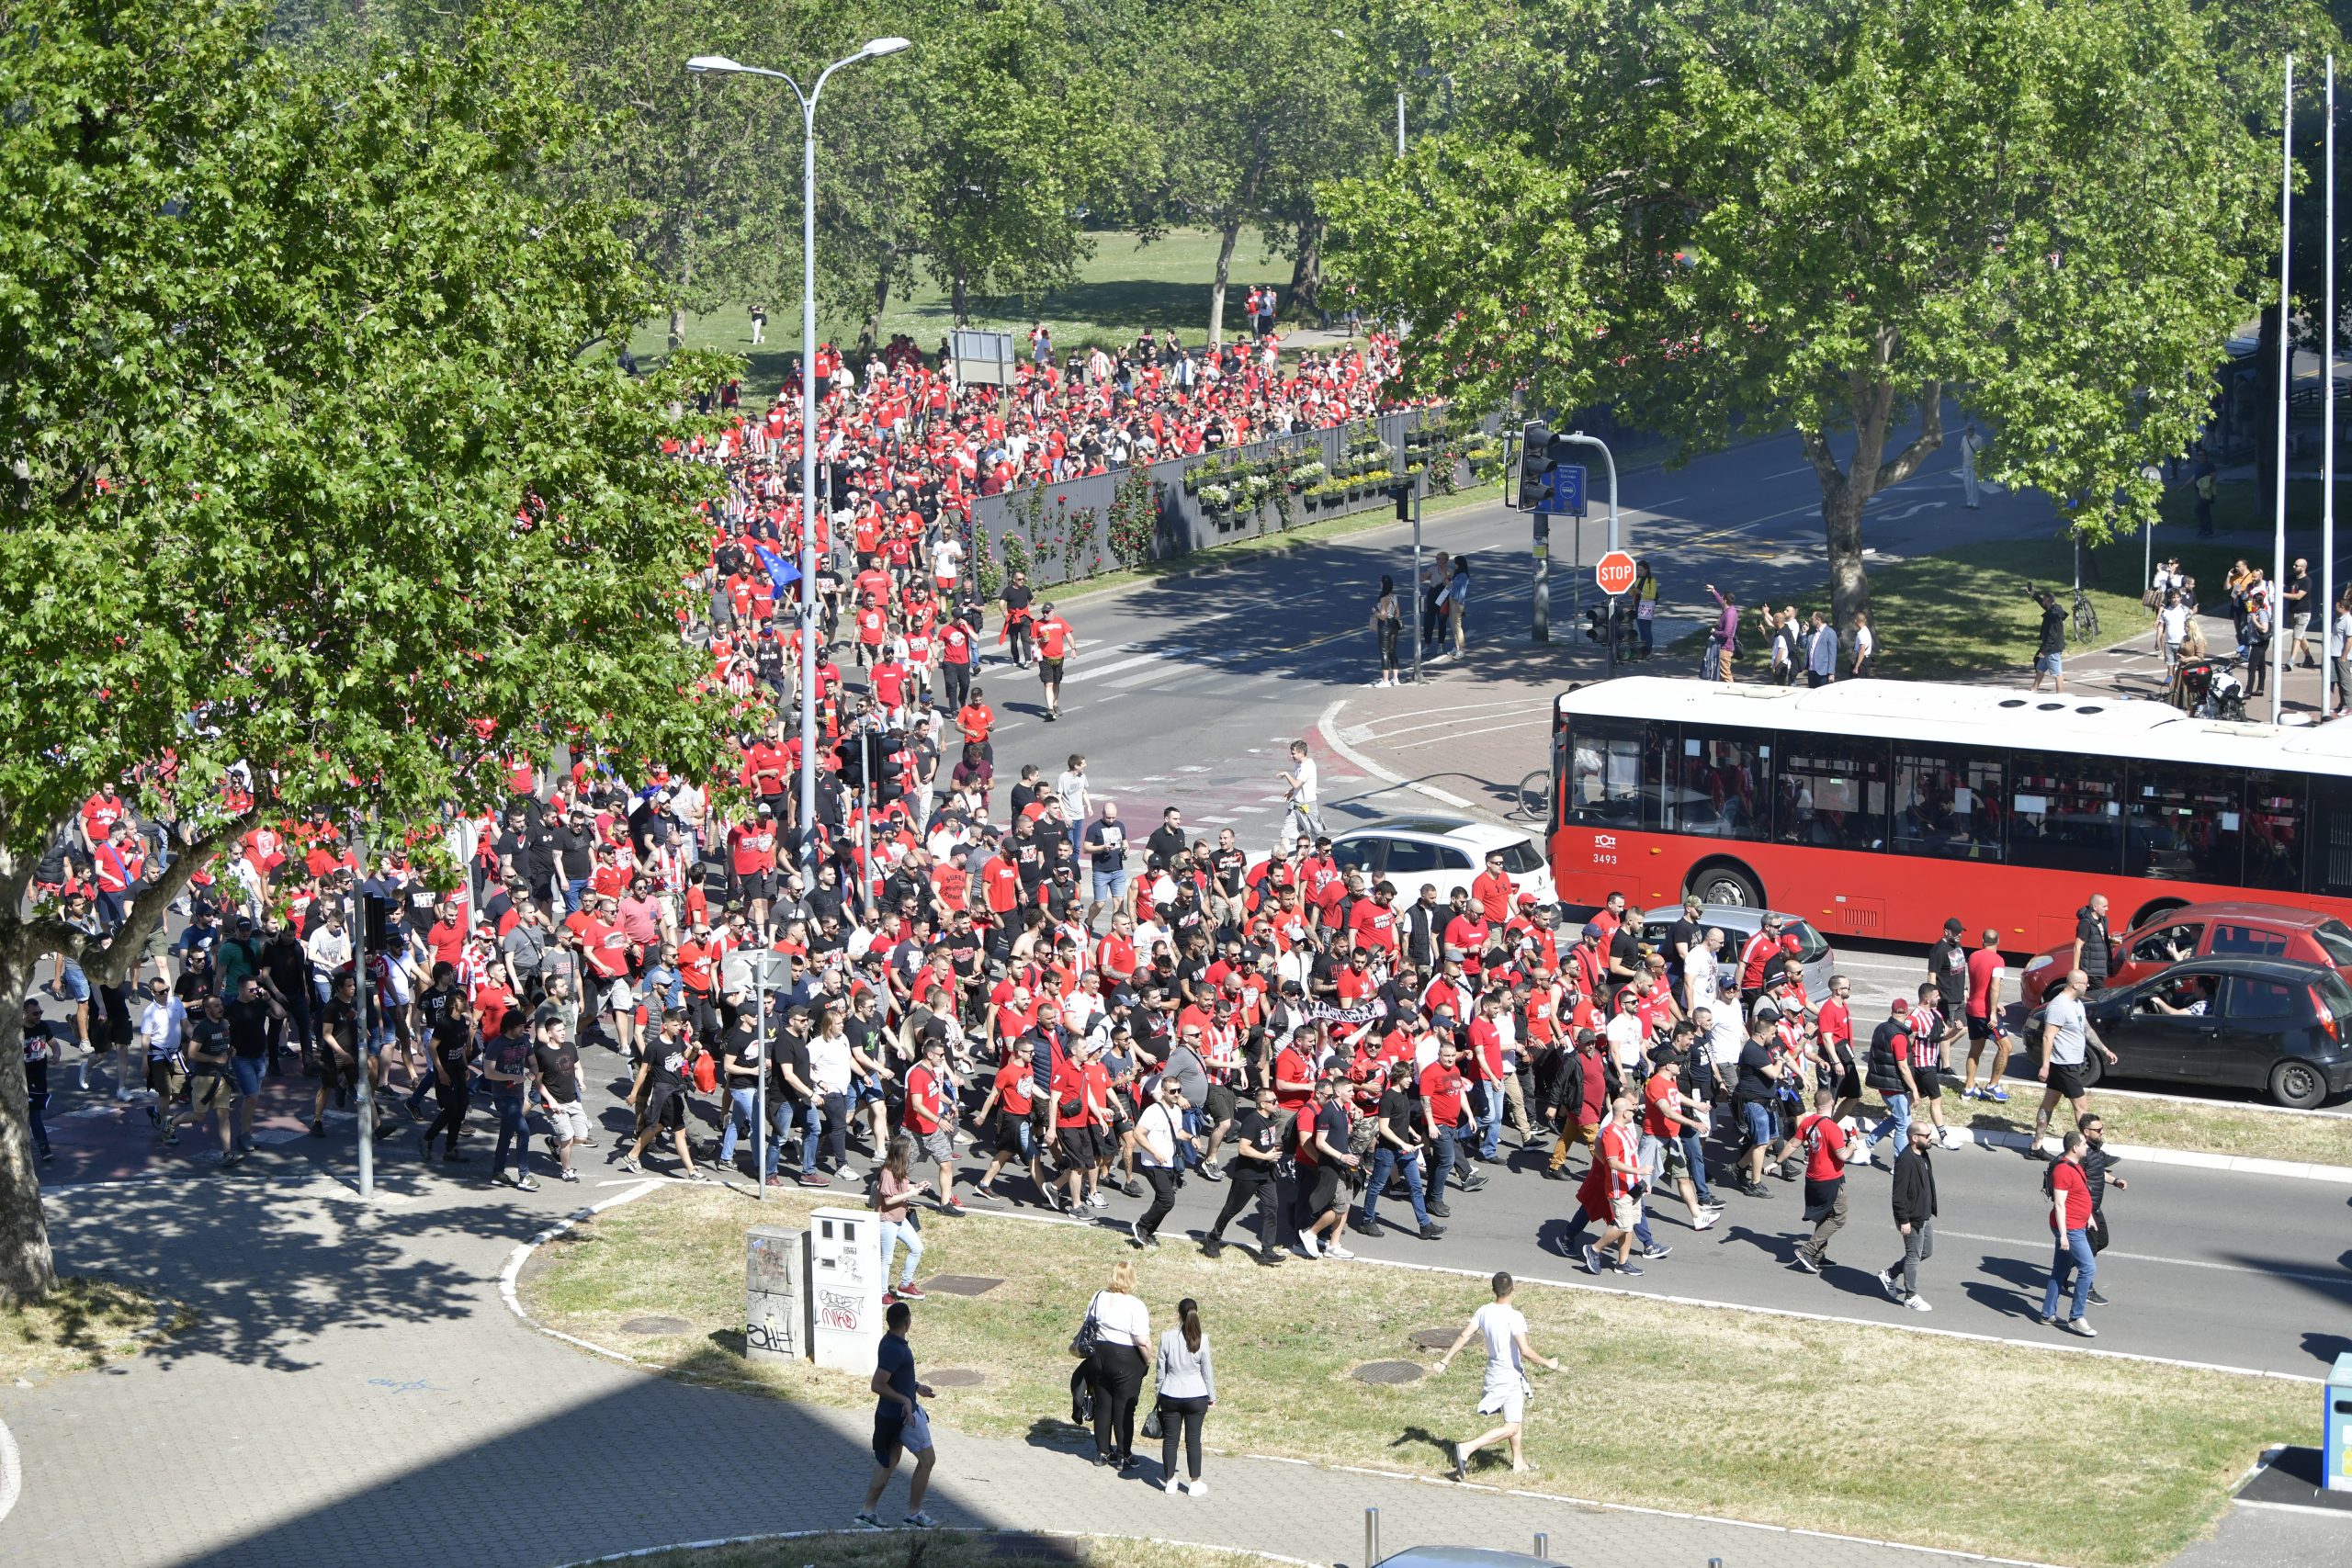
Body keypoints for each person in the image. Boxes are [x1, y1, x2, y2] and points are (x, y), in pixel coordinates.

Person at [1433, 1271, 1559, 1480]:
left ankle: (1519, 1463)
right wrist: (1548, 1363)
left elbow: (1464, 1335)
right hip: (1509, 1374)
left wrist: (1445, 1360)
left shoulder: (1484, 1311)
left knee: (1514, 1417)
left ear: (1493, 1290)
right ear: (1513, 1289)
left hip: (1494, 1371)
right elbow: (1525, 1351)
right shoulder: (1515, 1317)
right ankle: (1467, 1448)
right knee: (1512, 1427)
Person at [854, 1299, 939, 1531]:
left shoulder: (889, 1341)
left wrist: (916, 1387)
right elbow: (877, 1384)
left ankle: (867, 1513)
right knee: (927, 1460)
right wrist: (905, 1400)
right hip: (904, 1417)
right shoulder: (896, 1349)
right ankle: (914, 1514)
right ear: (907, 1322)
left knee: (888, 1463)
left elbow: (895, 1378)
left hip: (890, 1415)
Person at [2031, 968, 2116, 1157]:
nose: (2088, 985)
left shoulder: (2076, 1004)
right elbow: (2048, 1036)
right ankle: (2093, 1153)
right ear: (2075, 985)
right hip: (2064, 1064)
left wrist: (2105, 1050)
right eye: (2085, 983)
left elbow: (2087, 1030)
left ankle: (2036, 1147)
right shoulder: (2059, 1006)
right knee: (2082, 1108)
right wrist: (2045, 1065)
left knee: (2049, 1103)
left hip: (2072, 1063)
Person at [1200, 1083, 1285, 1263]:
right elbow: (1243, 1149)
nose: (1276, 1103)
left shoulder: (1270, 1119)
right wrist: (1266, 1156)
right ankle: (1213, 1237)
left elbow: (1264, 1143)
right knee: (1233, 1208)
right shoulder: (1252, 1121)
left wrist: (1272, 1154)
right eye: (1273, 1101)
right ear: (1262, 1104)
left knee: (1271, 1208)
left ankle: (1267, 1250)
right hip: (1248, 1174)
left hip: (1266, 1173)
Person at [1081, 1258, 1153, 1471]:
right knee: (1124, 1408)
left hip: (1099, 1355)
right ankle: (1124, 1454)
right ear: (1132, 1280)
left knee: (1103, 1404)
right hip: (1126, 1358)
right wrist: (1148, 1359)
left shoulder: (1098, 1297)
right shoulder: (1136, 1305)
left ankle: (1102, 1452)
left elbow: (1088, 1321)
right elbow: (1141, 1340)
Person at [1154, 1297, 1216, 1495]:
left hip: (1170, 1393)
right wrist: (1211, 1395)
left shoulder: (1166, 1337)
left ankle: (1170, 1481)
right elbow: (1207, 1371)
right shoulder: (1202, 1339)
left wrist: (1158, 1393)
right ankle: (1194, 1483)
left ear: (1178, 1315)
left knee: (1170, 1440)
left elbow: (1160, 1371)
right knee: (1193, 1440)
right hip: (1196, 1395)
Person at [2040, 1130, 2098, 1336]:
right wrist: (2064, 1235)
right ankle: (2076, 1317)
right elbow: (2059, 1204)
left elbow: (2079, 1195)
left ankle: (2047, 1314)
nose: (2087, 1147)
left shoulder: (2076, 1166)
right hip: (2070, 1228)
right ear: (2075, 1147)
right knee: (2088, 1268)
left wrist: (2088, 1216)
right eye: (2084, 1144)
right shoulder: (2063, 1170)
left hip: (2077, 1224)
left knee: (2060, 1270)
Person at [1790, 1087, 1855, 1274]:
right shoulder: (1832, 1127)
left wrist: (1777, 1162)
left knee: (1825, 1214)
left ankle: (1818, 1255)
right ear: (1833, 1103)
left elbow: (1793, 1143)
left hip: (1813, 1177)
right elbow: (1843, 1155)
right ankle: (1808, 1250)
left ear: (1814, 1104)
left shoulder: (1808, 1121)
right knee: (1838, 1217)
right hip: (1830, 1178)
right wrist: (1852, 1145)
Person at [1879, 1119, 1939, 1312]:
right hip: (1911, 1217)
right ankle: (1910, 1296)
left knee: (1925, 1252)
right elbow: (1898, 1195)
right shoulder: (1905, 1160)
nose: (1930, 1138)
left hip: (1924, 1215)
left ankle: (1891, 1273)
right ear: (1914, 1138)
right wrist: (1904, 1220)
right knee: (1913, 1256)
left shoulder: (1923, 1154)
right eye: (1926, 1136)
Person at [874, 1133, 929, 1303]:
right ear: (901, 1151)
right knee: (886, 1259)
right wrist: (911, 1193)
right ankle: (882, 1294)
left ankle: (905, 1285)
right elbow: (888, 1199)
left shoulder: (900, 1169)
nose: (911, 1151)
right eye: (909, 1148)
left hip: (899, 1218)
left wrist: (916, 1186)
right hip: (887, 1220)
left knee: (917, 1248)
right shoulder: (887, 1173)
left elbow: (901, 1188)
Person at [2079, 1112, 2126, 1307]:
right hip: (2085, 1210)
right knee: (2089, 1249)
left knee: (2102, 1241)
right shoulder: (2081, 1153)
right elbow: (2076, 1182)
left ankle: (2068, 1264)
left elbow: (2098, 1172)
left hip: (2095, 1207)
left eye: (2102, 1128)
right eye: (2098, 1130)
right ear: (2086, 1131)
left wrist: (2115, 1181)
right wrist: (2085, 1212)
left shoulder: (2096, 1150)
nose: (2102, 1132)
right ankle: (2086, 1290)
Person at [1959, 928, 2010, 1102]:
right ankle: (1993, 1086)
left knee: (1975, 1049)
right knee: (2006, 1047)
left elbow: (1980, 984)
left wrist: (1995, 1003)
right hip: (1985, 1013)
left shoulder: (1973, 956)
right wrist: (1993, 1012)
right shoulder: (1998, 960)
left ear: (1982, 941)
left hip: (1972, 1009)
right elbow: (1994, 986)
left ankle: (1969, 1088)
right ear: (1998, 941)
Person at [1034, 600, 1075, 720]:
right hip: (1045, 658)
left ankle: (1055, 705)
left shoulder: (1060, 621)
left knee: (1056, 682)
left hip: (1058, 657)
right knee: (1048, 683)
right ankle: (1050, 709)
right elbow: (1032, 639)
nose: (1045, 614)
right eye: (1043, 612)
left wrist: (1073, 649)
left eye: (1047, 612)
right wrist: (1041, 640)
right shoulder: (1037, 624)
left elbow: (1069, 635)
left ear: (1053, 611)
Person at [1278, 740, 1320, 850]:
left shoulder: (1308, 766)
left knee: (1311, 838)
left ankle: (1311, 856)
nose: (1291, 756)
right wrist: (1292, 791)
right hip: (1296, 805)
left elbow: (1297, 784)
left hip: (1307, 806)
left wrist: (1286, 774)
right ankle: (1283, 857)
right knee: (1285, 834)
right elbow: (1300, 784)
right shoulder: (1298, 764)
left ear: (1301, 753)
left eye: (1293, 753)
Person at [2030, 591, 2066, 694]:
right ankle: (2033, 689)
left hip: (2051, 649)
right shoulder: (2055, 609)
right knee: (2040, 668)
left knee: (2057, 673)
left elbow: (2052, 636)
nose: (2043, 601)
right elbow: (2044, 605)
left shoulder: (2052, 616)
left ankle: (2060, 695)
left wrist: (2044, 650)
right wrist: (2034, 595)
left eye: (2044, 599)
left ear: (2047, 600)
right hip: (2047, 648)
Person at [1371, 574, 1403, 686]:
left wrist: (1375, 613)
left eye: (1381, 583)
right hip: (1394, 624)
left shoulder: (1383, 598)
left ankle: (1385, 680)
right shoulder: (1394, 597)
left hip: (1385, 626)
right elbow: (1397, 613)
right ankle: (1396, 679)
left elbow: (1383, 616)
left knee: (1384, 652)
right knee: (1393, 652)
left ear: (1384, 585)